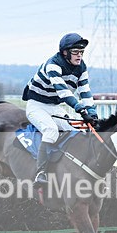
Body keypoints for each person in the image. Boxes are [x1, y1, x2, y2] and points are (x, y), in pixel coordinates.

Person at [22, 33, 98, 185]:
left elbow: (85, 91)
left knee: (75, 130)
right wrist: (81, 110)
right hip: (36, 105)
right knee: (51, 130)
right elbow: (63, 92)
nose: (79, 55)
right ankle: (41, 173)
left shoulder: (82, 68)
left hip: (54, 107)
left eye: (81, 52)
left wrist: (92, 113)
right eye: (76, 52)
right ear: (65, 52)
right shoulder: (53, 65)